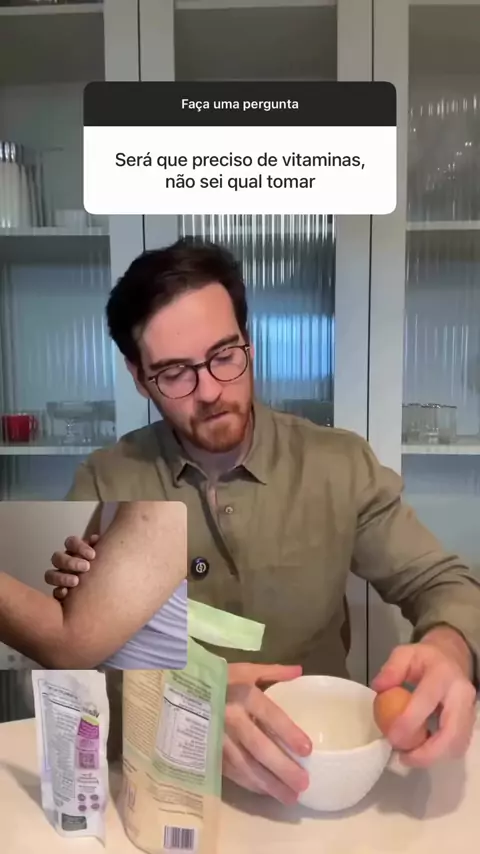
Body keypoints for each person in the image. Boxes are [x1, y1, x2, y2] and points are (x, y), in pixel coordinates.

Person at [45, 237, 479, 807]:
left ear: (248, 341)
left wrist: (450, 648)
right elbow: (65, 670)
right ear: (137, 375)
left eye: (224, 355)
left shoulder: (338, 464)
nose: (210, 392)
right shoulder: (104, 483)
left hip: (323, 782)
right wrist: (186, 701)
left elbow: (444, 583)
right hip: (165, 787)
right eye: (174, 373)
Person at [0, 501, 187, 669]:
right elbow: (80, 581)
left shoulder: (162, 507)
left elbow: (68, 646)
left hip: (136, 690)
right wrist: (77, 580)